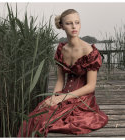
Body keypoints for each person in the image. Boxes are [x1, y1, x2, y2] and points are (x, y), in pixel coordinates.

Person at [17, 9, 108, 137]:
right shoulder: (61, 49)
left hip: (83, 99)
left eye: (77, 22)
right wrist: (54, 97)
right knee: (34, 118)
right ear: (62, 26)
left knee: (48, 122)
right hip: (64, 94)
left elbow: (90, 86)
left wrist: (63, 97)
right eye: (69, 23)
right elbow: (60, 81)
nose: (74, 26)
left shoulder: (89, 51)